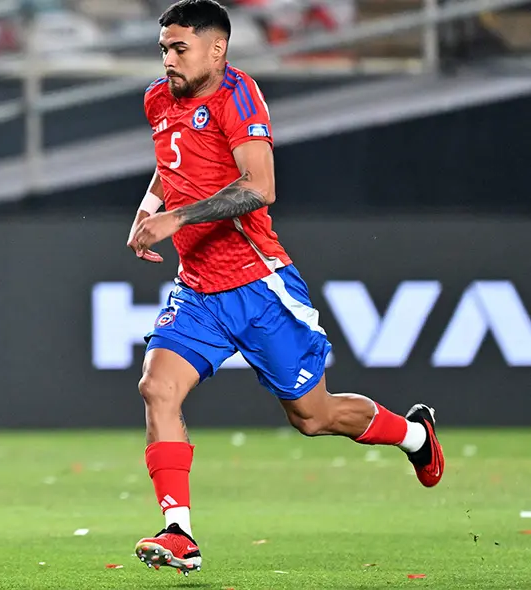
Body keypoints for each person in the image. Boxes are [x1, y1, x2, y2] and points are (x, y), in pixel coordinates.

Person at [125, 0, 443, 575]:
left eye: (180, 48)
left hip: (259, 288)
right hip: (197, 290)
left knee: (313, 416)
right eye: (164, 48)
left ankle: (415, 437)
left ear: (216, 49)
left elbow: (260, 187)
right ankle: (179, 532)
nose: (168, 59)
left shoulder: (238, 96)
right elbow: (170, 163)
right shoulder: (159, 99)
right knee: (157, 388)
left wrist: (177, 218)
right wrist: (148, 209)